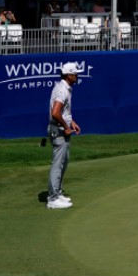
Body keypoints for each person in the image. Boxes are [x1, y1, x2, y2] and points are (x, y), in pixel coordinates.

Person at [47, 62, 81, 209]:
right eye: (75, 74)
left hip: (62, 129)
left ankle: (58, 193)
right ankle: (53, 199)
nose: (77, 76)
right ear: (69, 75)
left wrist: (71, 122)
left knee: (63, 162)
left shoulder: (64, 88)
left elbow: (63, 111)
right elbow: (55, 112)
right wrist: (66, 127)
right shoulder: (63, 90)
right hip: (59, 131)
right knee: (58, 164)